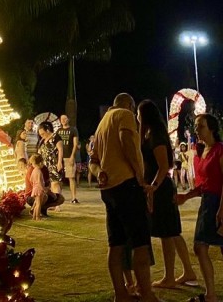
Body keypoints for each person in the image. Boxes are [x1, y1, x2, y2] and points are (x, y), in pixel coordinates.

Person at [90, 93, 160, 302]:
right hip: (127, 185)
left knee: (116, 243)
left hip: (108, 188)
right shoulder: (125, 115)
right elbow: (127, 141)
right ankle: (146, 294)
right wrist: (139, 176)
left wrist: (99, 172)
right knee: (140, 242)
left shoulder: (101, 124)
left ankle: (121, 294)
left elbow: (93, 160)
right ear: (129, 105)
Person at [176, 113, 223, 302]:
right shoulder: (204, 151)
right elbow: (205, 184)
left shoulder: (222, 151)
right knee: (200, 247)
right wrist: (186, 196)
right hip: (208, 203)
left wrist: (222, 209)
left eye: (200, 126)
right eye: (196, 126)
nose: (197, 129)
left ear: (211, 128)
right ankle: (210, 294)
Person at [135, 100, 198, 289]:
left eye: (139, 113)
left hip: (161, 189)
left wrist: (153, 187)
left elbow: (164, 165)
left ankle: (169, 276)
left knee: (167, 233)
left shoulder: (156, 136)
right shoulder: (148, 133)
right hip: (158, 187)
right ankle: (187, 270)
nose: (137, 117)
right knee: (171, 232)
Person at [37, 121, 65, 205]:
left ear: (48, 130)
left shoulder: (56, 137)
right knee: (49, 185)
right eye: (40, 134)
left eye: (43, 133)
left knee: (55, 183)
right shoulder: (42, 140)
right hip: (45, 165)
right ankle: (52, 202)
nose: (42, 135)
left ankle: (57, 203)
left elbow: (60, 149)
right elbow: (39, 152)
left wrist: (59, 162)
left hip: (54, 163)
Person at [57, 113, 81, 204]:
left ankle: (74, 197)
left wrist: (72, 156)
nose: (63, 120)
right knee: (58, 178)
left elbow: (75, 144)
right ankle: (58, 197)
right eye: (62, 119)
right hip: (59, 157)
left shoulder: (73, 130)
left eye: (65, 118)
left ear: (68, 120)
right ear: (60, 121)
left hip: (68, 156)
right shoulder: (58, 131)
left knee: (71, 177)